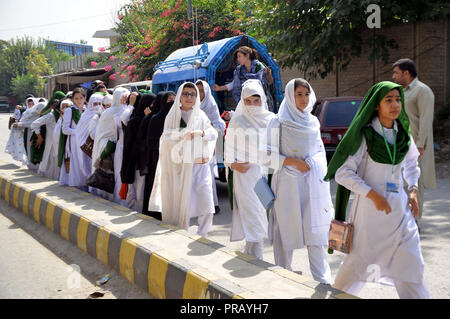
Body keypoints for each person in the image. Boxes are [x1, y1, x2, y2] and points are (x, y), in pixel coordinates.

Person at [325, 81, 430, 299]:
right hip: (369, 215)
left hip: (400, 212)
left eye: (398, 99)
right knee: (358, 266)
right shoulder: (366, 136)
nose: (395, 105)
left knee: (411, 264)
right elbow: (343, 173)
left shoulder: (403, 134)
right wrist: (372, 195)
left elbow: (411, 163)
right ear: (376, 105)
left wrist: (412, 190)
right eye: (388, 100)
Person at [259, 79, 333, 283]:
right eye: (299, 94)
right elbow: (265, 155)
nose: (303, 98)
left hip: (312, 185)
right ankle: (283, 274)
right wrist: (291, 162)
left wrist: (313, 162)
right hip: (287, 186)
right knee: (285, 231)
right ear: (290, 96)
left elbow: (319, 151)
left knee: (315, 231)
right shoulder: (278, 122)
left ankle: (323, 280)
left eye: (306, 94)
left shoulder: (313, 122)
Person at [150, 83, 217, 237]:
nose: (189, 97)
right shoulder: (173, 116)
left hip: (199, 167)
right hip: (179, 167)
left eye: (192, 94)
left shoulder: (201, 115)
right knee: (182, 204)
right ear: (180, 96)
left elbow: (213, 134)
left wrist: (201, 133)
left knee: (207, 204)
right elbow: (165, 137)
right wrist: (182, 135)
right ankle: (181, 233)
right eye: (185, 94)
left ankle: (203, 235)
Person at [224, 79, 275, 259]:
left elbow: (276, 147)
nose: (253, 105)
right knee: (251, 213)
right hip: (244, 175)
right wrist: (233, 164)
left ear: (262, 99)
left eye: (256, 100)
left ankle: (251, 253)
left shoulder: (271, 119)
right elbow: (228, 147)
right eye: (248, 101)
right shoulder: (238, 120)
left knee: (261, 213)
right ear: (242, 101)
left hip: (263, 174)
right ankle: (257, 257)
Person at [392, 58, 436, 225]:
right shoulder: (402, 91)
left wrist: (419, 144)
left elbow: (425, 119)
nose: (393, 77)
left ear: (406, 73)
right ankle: (404, 221)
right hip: (400, 144)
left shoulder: (422, 91)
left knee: (414, 183)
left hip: (416, 147)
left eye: (396, 73)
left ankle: (414, 222)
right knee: (400, 182)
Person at [91, 87, 130, 202]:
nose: (126, 99)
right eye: (124, 96)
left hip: (118, 147)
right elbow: (105, 132)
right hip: (108, 148)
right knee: (110, 174)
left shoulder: (125, 110)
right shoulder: (110, 112)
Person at [196, 80, 226, 214]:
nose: (199, 93)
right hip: (192, 146)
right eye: (197, 90)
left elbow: (220, 126)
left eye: (202, 90)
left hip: (206, 147)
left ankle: (212, 204)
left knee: (206, 177)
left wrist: (208, 128)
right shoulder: (190, 105)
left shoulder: (211, 106)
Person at [142, 91, 175, 217]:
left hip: (173, 159)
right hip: (158, 159)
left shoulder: (177, 119)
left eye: (174, 100)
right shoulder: (156, 119)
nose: (172, 103)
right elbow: (150, 142)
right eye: (169, 100)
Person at [75, 92, 105, 187]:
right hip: (86, 147)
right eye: (95, 104)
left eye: (100, 104)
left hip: (99, 147)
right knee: (87, 167)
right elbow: (79, 132)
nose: (97, 106)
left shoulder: (103, 115)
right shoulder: (85, 116)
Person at [58, 88, 85, 189]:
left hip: (84, 142)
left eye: (81, 98)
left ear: (85, 98)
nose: (79, 100)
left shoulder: (86, 110)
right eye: (76, 98)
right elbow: (65, 129)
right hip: (73, 142)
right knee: (75, 165)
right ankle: (75, 185)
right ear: (73, 99)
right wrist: (78, 132)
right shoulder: (70, 110)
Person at [31, 97, 63, 180]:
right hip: (51, 144)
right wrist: (39, 136)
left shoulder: (64, 115)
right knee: (50, 163)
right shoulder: (51, 115)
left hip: (60, 143)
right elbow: (34, 124)